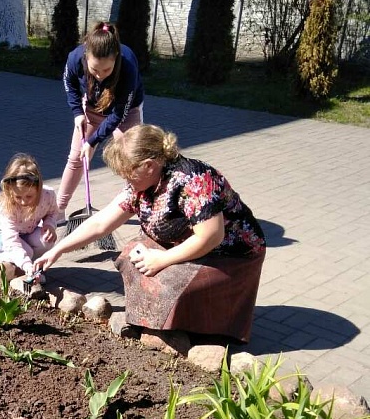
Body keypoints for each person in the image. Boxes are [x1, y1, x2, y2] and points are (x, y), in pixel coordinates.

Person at [36, 124, 266, 343]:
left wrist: (161, 259)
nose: (125, 179)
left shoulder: (193, 180)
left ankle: (196, 331)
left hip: (228, 254)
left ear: (149, 165)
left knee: (169, 282)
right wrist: (57, 249)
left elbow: (211, 236)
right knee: (130, 259)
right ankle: (155, 323)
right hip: (181, 241)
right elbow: (100, 224)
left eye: (128, 173)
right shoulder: (141, 185)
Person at [57, 21, 144, 219]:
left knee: (131, 160)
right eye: (95, 70)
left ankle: (130, 208)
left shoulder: (128, 64)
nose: (101, 76)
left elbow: (119, 114)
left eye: (107, 70)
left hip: (125, 111)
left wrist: (93, 141)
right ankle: (58, 210)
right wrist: (78, 112)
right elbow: (70, 84)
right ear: (86, 57)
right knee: (76, 157)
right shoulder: (75, 58)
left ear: (116, 59)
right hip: (91, 108)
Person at [0, 153, 60, 280]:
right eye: (18, 197)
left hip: (26, 231)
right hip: (0, 233)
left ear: (39, 188)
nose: (23, 201)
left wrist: (49, 225)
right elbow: (11, 241)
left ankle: (34, 267)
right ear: (10, 191)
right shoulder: (8, 207)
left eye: (29, 196)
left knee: (46, 240)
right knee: (26, 252)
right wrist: (26, 264)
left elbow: (52, 212)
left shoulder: (48, 196)